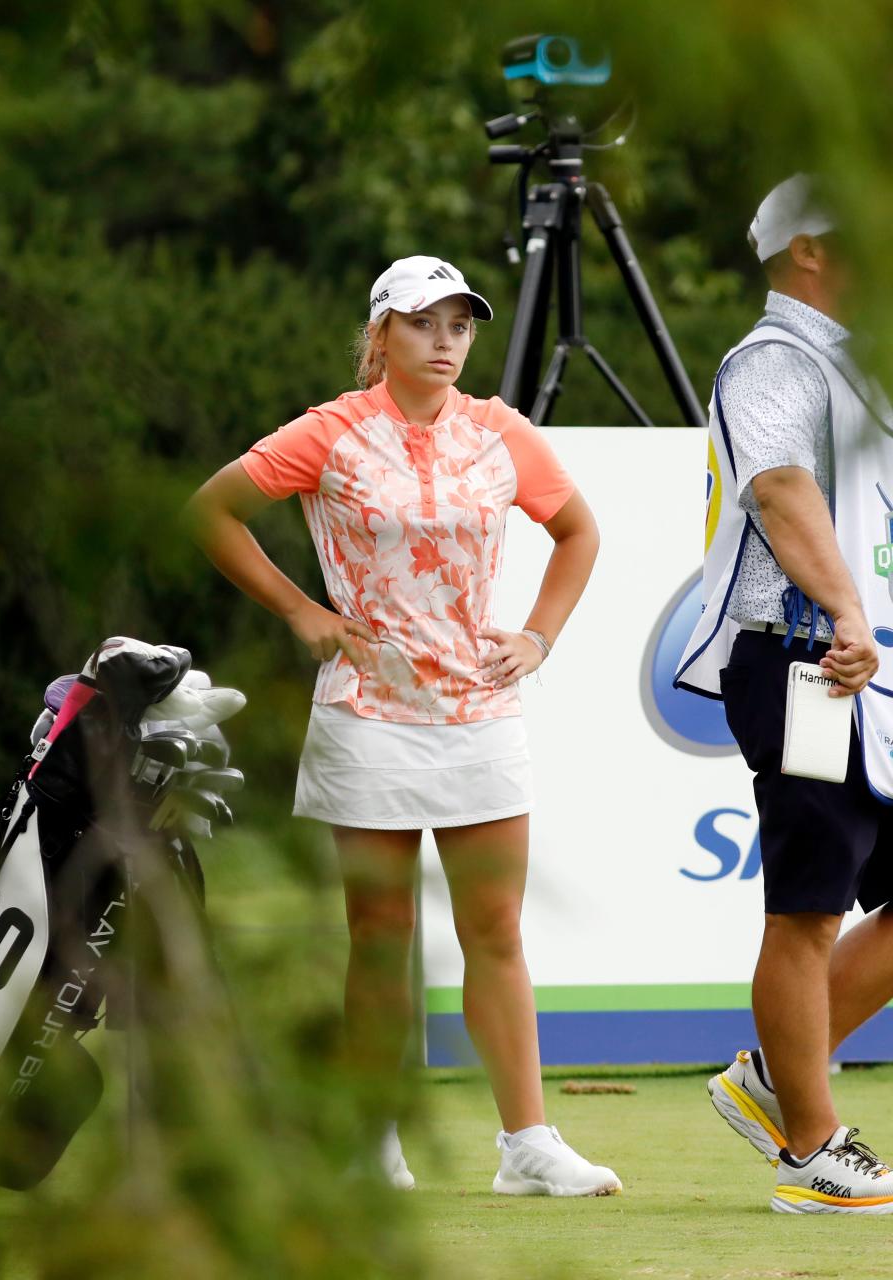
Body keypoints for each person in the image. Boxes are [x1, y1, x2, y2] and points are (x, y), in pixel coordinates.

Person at [188, 255, 621, 1197]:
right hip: (369, 715)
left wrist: (539, 637)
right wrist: (302, 611)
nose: (445, 343)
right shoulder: (330, 433)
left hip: (479, 713)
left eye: (460, 326)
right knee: (379, 935)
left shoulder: (500, 432)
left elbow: (579, 531)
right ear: (380, 334)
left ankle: (528, 1146)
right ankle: (372, 1143)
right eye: (424, 324)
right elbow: (212, 512)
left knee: (496, 932)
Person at [675, 175, 893, 1214]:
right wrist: (847, 609)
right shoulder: (773, 357)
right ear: (807, 250)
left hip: (861, 660)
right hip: (804, 657)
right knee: (807, 906)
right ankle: (811, 1147)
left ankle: (772, 1076)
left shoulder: (856, 367)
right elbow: (779, 485)